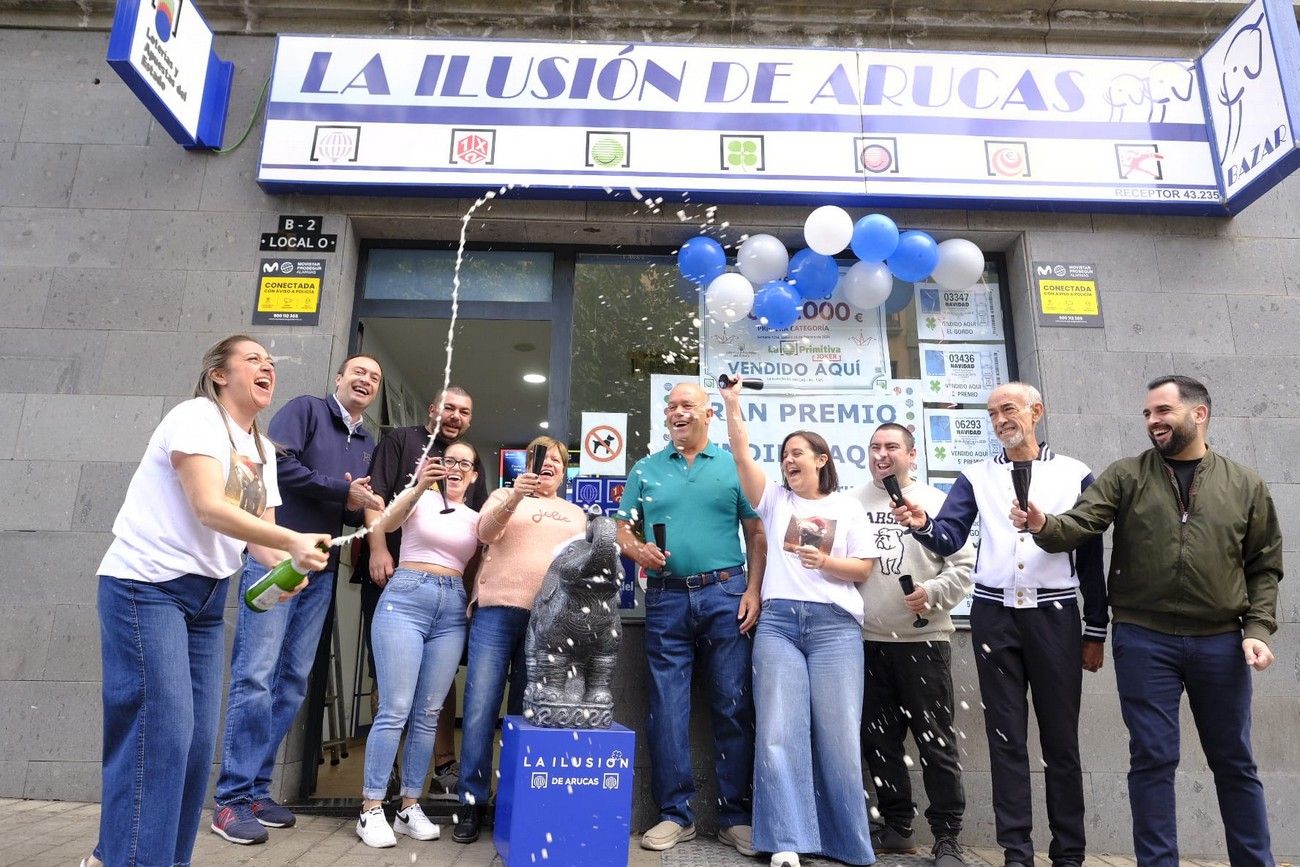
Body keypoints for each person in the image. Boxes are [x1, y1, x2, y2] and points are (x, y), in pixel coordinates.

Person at [81, 336, 330, 867]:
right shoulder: (195, 416)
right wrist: (291, 543)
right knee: (160, 734)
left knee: (193, 748)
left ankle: (149, 858)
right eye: (253, 359)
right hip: (145, 588)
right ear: (219, 374)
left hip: (207, 603)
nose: (268, 367)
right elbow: (208, 507)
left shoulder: (263, 450)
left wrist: (291, 568)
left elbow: (263, 540)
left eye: (271, 363)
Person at [1014, 375, 1282, 867]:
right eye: (1147, 414)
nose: (1153, 421)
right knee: (1153, 760)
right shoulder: (1126, 474)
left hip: (1221, 642)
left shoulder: (1245, 484)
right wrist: (1043, 526)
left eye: (1163, 411)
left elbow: (1264, 567)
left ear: (1198, 414)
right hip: (1144, 640)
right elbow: (1082, 523)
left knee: (1235, 763)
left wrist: (1257, 631)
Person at [891, 382, 1106, 867]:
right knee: (1005, 738)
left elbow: (1091, 557)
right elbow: (947, 538)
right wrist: (923, 523)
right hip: (995, 615)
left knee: (1061, 741)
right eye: (992, 413)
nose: (1000, 420)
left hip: (1055, 615)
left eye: (1008, 409)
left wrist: (1095, 629)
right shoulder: (976, 475)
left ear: (1037, 411)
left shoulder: (1076, 475)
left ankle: (1069, 854)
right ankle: (1016, 853)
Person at [212, 353, 385, 844]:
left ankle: (256, 790)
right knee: (257, 675)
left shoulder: (367, 441)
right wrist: (344, 492)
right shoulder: (306, 410)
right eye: (359, 372)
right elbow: (275, 469)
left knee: (290, 682)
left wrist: (363, 505)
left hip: (320, 570)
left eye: (374, 378)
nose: (366, 381)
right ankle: (230, 800)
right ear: (339, 378)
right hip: (274, 560)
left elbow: (344, 507)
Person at [722, 377, 879, 867]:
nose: (789, 461)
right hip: (780, 626)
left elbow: (864, 569)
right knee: (778, 730)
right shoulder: (774, 502)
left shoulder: (846, 506)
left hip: (836, 628)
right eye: (785, 454)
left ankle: (844, 842)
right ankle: (786, 839)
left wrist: (825, 563)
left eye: (798, 453)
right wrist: (732, 405)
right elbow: (744, 457)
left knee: (838, 735)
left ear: (821, 460)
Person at [616, 381, 765, 857]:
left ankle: (735, 817)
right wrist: (640, 550)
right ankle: (674, 815)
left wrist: (754, 590)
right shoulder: (646, 469)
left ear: (707, 414)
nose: (676, 412)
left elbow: (756, 533)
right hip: (665, 598)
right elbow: (623, 529)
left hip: (727, 593)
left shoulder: (732, 466)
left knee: (732, 706)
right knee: (667, 709)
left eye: (686, 405)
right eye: (671, 406)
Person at [452, 435, 588, 843]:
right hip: (496, 610)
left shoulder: (575, 514)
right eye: (538, 458)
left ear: (564, 471)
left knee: (525, 714)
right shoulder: (501, 495)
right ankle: (470, 803)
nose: (548, 465)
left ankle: (512, 801)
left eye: (556, 461)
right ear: (526, 464)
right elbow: (485, 532)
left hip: (547, 623)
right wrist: (515, 496)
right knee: (479, 709)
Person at [850, 423, 975, 867]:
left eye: (892, 447)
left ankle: (947, 838)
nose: (882, 455)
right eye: (874, 447)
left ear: (912, 454)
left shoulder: (939, 502)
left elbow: (962, 567)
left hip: (924, 640)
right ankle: (897, 827)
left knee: (935, 743)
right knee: (878, 742)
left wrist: (933, 593)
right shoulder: (851, 502)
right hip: (866, 641)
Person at [358, 386, 488, 796]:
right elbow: (376, 500)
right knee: (391, 683)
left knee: (437, 685)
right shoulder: (401, 440)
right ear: (433, 410)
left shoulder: (470, 463)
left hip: (449, 593)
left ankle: (442, 765)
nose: (455, 415)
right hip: (395, 579)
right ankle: (387, 774)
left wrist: (471, 592)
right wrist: (377, 550)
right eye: (449, 407)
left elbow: (482, 532)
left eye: (464, 411)